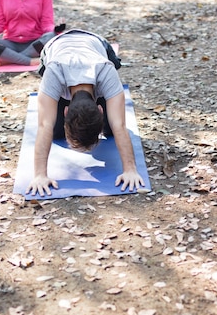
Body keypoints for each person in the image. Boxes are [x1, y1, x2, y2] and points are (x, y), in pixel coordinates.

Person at [26, 29, 146, 197]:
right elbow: (44, 124)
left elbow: (119, 124)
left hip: (95, 44)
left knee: (111, 129)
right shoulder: (53, 72)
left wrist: (130, 170)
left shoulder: (106, 71)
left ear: (100, 109)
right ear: (66, 109)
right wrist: (39, 175)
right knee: (55, 132)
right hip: (57, 47)